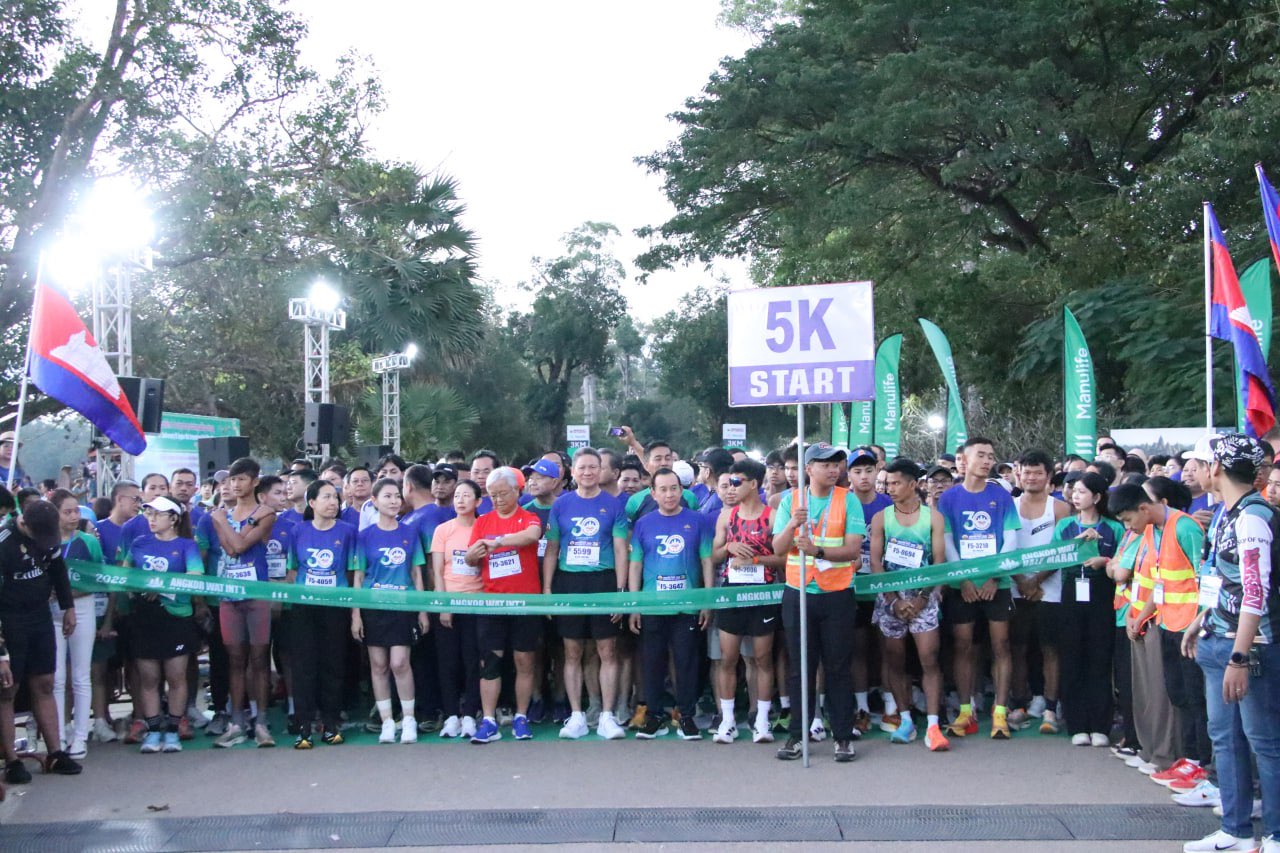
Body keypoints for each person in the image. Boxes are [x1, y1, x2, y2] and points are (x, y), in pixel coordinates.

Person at [1180, 434, 1280, 853]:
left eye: (1205, 463)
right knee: (1225, 738)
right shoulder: (1227, 512)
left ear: (1218, 467)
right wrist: (1201, 619)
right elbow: (1224, 580)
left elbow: (1256, 592)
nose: (1199, 470)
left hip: (1249, 647)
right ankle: (1235, 830)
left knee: (1264, 742)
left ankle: (1274, 834)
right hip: (1218, 637)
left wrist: (1240, 656)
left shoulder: (1252, 517)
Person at [772, 443, 866, 763]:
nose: (833, 469)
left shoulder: (847, 500)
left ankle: (842, 736)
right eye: (825, 464)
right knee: (801, 668)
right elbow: (778, 548)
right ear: (808, 468)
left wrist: (817, 551)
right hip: (799, 593)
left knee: (838, 667)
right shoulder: (791, 501)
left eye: (836, 464)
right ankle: (798, 735)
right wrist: (792, 524)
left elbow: (853, 549)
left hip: (837, 593)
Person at [543, 451, 630, 740]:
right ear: (573, 471)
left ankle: (607, 716)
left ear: (601, 470)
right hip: (569, 582)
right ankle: (577, 715)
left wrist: (620, 591)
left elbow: (620, 549)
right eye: (582, 467)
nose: (588, 472)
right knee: (573, 651)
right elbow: (552, 548)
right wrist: (547, 589)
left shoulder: (614, 505)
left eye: (594, 467)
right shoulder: (561, 504)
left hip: (604, 580)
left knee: (607, 650)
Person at [939, 437, 1021, 740]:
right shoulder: (949, 498)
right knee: (962, 645)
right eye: (981, 455)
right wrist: (964, 579)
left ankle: (1000, 712)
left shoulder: (1002, 496)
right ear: (964, 459)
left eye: (991, 456)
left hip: (996, 583)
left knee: (1001, 645)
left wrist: (993, 577)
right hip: (962, 585)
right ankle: (965, 711)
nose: (987, 461)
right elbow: (946, 540)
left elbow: (1011, 539)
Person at [869, 458, 949, 751]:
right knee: (895, 660)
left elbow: (939, 562)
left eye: (896, 483)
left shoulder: (933, 518)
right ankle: (905, 720)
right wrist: (893, 600)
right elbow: (875, 561)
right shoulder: (881, 518)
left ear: (913, 484)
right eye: (887, 483)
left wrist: (923, 597)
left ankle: (933, 725)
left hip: (923, 596)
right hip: (890, 597)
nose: (889, 488)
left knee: (929, 658)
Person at [628, 467, 714, 741]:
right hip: (652, 606)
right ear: (653, 493)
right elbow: (635, 565)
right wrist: (634, 605)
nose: (669, 494)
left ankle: (686, 716)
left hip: (687, 606)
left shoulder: (698, 521)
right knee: (652, 663)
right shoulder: (643, 524)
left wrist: (706, 601)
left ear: (682, 490)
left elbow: (707, 561)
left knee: (686, 662)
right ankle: (654, 716)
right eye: (663, 489)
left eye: (674, 488)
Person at [1111, 482, 1190, 777]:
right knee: (1148, 693)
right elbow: (1155, 582)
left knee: (1169, 697)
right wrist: (1138, 615)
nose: (1128, 526)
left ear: (1146, 506)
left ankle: (1172, 757)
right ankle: (1153, 751)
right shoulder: (1149, 532)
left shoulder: (1183, 527)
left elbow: (1196, 579)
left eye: (1128, 519)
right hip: (1149, 617)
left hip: (1178, 623)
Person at [0, 500, 80, 782]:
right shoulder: (4, 544)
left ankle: (55, 752)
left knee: (45, 682)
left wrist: (68, 606)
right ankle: (12, 760)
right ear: (24, 523)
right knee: (7, 690)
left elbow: (58, 569)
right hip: (9, 621)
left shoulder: (48, 537)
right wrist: (1, 653)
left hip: (40, 616)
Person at [465, 468, 544, 743]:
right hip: (492, 603)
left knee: (524, 660)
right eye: (492, 495)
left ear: (517, 491)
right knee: (490, 662)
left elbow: (531, 536)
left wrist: (497, 542)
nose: (497, 500)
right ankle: (488, 720)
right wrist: (472, 555)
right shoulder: (483, 522)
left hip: (525, 603)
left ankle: (521, 717)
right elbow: (471, 558)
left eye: (502, 494)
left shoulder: (528, 517)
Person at [122, 496, 204, 755]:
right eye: (149, 514)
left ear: (174, 518)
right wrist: (137, 588)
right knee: (149, 678)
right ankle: (153, 729)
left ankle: (172, 730)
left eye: (158, 514)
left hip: (176, 616)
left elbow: (195, 575)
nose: (152, 519)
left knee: (176, 676)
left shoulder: (187, 545)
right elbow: (124, 574)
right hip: (145, 617)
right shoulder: (139, 543)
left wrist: (162, 586)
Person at [710, 458, 784, 744]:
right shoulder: (726, 517)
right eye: (729, 483)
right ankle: (727, 720)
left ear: (754, 484)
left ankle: (762, 720)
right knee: (728, 658)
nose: (731, 488)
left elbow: (784, 558)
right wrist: (729, 546)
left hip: (763, 593)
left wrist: (755, 559)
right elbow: (714, 556)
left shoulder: (772, 516)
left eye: (736, 482)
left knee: (762, 658)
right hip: (732, 593)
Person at [207, 458, 277, 749]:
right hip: (229, 595)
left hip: (257, 594)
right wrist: (224, 522)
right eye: (231, 480)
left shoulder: (265, 512)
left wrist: (222, 522)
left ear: (255, 482)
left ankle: (261, 721)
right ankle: (236, 721)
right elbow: (227, 549)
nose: (235, 485)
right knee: (235, 659)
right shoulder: (222, 514)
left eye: (241, 479)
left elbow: (238, 546)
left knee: (259, 659)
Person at [353, 478, 428, 745]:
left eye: (397, 496)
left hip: (402, 607)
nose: (394, 501)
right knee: (379, 665)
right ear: (374, 501)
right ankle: (386, 721)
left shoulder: (409, 533)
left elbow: (416, 573)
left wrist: (421, 611)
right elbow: (358, 577)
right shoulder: (364, 536)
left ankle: (408, 719)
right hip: (373, 607)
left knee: (399, 663)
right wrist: (356, 614)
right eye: (387, 496)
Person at [1053, 472, 1125, 746]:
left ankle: (1100, 725)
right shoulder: (1065, 526)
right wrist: (1078, 544)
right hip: (1072, 592)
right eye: (1074, 491)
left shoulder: (1114, 528)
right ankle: (1076, 724)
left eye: (1082, 492)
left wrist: (1103, 559)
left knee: (1100, 658)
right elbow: (1054, 557)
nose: (1075, 496)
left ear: (1096, 497)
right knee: (1072, 658)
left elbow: (1123, 559)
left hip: (1103, 593)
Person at [286, 479, 358, 749]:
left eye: (335, 497)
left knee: (333, 664)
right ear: (312, 502)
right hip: (304, 607)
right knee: (303, 666)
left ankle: (330, 724)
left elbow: (352, 571)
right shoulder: (298, 531)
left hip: (335, 607)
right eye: (326, 497)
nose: (333, 502)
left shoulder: (348, 531)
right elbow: (292, 570)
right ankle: (303, 726)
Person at [1008, 449, 1070, 735]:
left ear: (1048, 476)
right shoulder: (1009, 506)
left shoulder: (1060, 508)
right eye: (1027, 472)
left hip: (1050, 589)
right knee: (1017, 648)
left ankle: (1050, 708)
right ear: (1019, 475)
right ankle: (1019, 704)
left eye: (1037, 473)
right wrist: (1022, 581)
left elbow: (1063, 551)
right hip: (1015, 586)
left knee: (1050, 649)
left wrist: (1037, 581)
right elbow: (1004, 549)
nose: (1031, 477)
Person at [431, 480, 484, 740]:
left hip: (477, 603)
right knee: (447, 662)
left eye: (466, 496)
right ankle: (451, 715)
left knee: (473, 662)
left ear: (478, 501)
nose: (460, 500)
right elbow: (438, 571)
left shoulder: (484, 528)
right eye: (457, 496)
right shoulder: (443, 530)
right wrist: (444, 606)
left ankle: (470, 715)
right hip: (449, 603)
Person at [50, 489, 100, 759]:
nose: (73, 516)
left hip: (82, 608)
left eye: (76, 511)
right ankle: (58, 735)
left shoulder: (88, 542)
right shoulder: (44, 542)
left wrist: (69, 594)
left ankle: (80, 736)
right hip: (51, 612)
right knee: (56, 677)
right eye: (67, 512)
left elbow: (99, 578)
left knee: (81, 675)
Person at [848, 446, 892, 734]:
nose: (864, 476)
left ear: (878, 471)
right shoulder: (842, 503)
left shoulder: (889, 504)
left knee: (888, 649)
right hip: (851, 588)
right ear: (849, 474)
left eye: (868, 470)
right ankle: (861, 708)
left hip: (884, 587)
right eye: (857, 471)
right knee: (858, 650)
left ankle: (891, 706)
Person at [469, 451, 500, 516]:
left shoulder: (506, 501)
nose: (480, 476)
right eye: (476, 472)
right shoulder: (462, 501)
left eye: (486, 472)